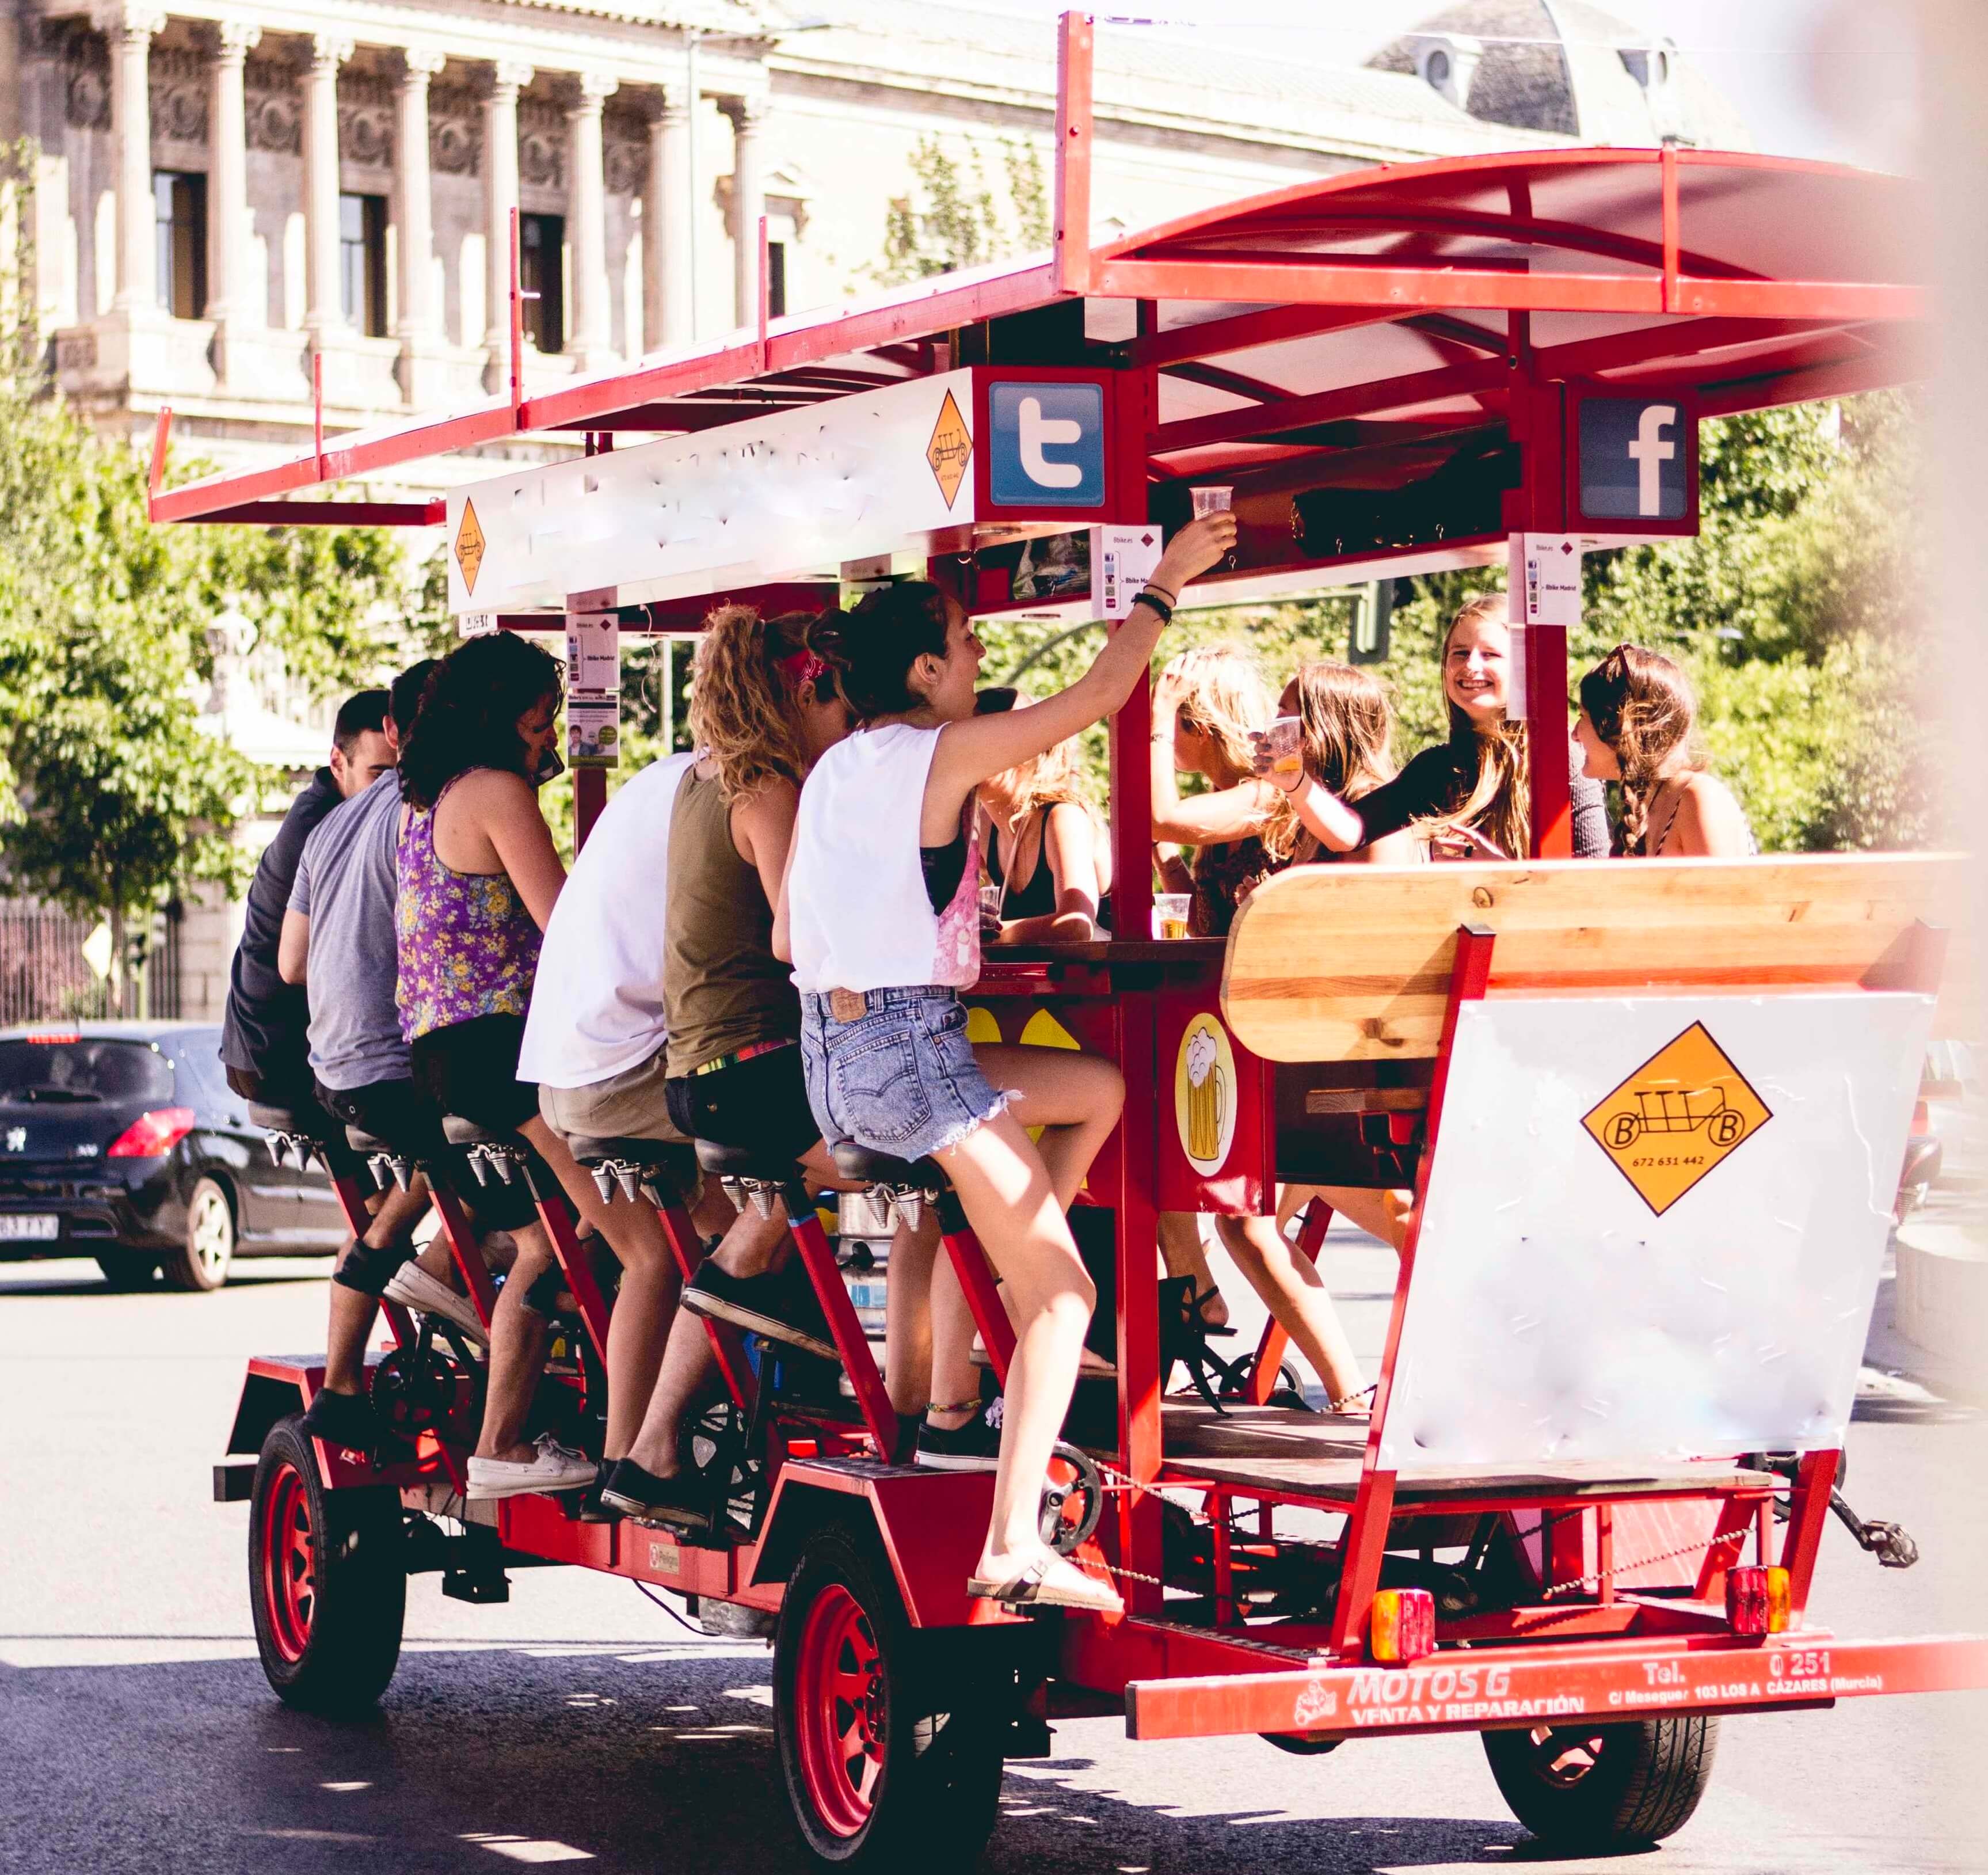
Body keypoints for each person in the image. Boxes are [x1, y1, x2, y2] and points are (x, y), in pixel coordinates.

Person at [781, 507, 1237, 1612]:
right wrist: (1164, 582)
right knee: (1068, 1294)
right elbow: (1093, 700)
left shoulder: (835, 768)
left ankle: (1009, 1250)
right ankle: (1012, 1542)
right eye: (969, 642)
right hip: (913, 1051)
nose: (982, 657)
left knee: (1100, 1088)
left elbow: (792, 938)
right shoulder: (938, 751)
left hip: (834, 1056)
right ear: (927, 668)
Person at [599, 607, 921, 1525]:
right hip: (753, 1072)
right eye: (832, 699)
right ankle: (930, 1409)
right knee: (936, 1160)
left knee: (764, 1223)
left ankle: (655, 1450)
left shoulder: (705, 778)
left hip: (708, 1075)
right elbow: (794, 933)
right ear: (799, 688)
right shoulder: (767, 786)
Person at [395, 632, 685, 1502]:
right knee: (645, 1252)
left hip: (451, 1052)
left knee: (571, 1234)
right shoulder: (496, 791)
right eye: (538, 722)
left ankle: (527, 1409)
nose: (546, 738)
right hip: (504, 1050)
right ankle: (600, 1452)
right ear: (500, 717)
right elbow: (565, 920)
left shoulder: (435, 796)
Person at [1149, 649, 1387, 1409]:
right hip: (1252, 1039)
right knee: (1182, 1175)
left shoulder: (1258, 796)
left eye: (1177, 727)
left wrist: (1150, 712)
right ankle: (1199, 1296)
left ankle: (1347, 1387)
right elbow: (1208, 898)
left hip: (1286, 1050)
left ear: (1195, 722)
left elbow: (1159, 813)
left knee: (1245, 1215)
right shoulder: (1242, 799)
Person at [279, 660, 492, 1451]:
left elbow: (290, 964)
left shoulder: (330, 822)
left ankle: (343, 1381)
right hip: (391, 1065)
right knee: (516, 1166)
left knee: (415, 1189)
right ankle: (442, 1285)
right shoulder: (426, 809)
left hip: (332, 1068)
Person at [520, 735, 738, 1477]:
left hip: (565, 1068)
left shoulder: (666, 777)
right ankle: (644, 1452)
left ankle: (639, 1447)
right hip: (613, 1071)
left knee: (710, 1224)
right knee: (764, 1209)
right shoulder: (731, 791)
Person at [1262, 591, 1609, 862]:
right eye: (1459, 653)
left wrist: (1502, 877)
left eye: (1490, 655)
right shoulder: (1440, 767)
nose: (1470, 665)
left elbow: (1594, 884)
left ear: (1524, 666)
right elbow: (1350, 832)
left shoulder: (1565, 758)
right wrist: (1295, 784)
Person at [220, 687, 394, 1131]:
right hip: (274, 1050)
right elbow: (296, 965)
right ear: (338, 762)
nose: (392, 791)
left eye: (399, 774)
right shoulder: (322, 828)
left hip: (261, 1043)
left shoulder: (334, 812)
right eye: (379, 774)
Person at [1575, 644, 1755, 857]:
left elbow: (1724, 890)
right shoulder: (1648, 806)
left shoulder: (1698, 799)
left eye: (1582, 718)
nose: (1575, 734)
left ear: (1618, 727)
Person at [974, 688, 1108, 944]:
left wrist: (983, 936)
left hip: (1109, 979)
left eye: (975, 744)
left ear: (1022, 752)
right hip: (1043, 979)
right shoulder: (985, 822)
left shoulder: (1062, 817)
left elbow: (1077, 925)